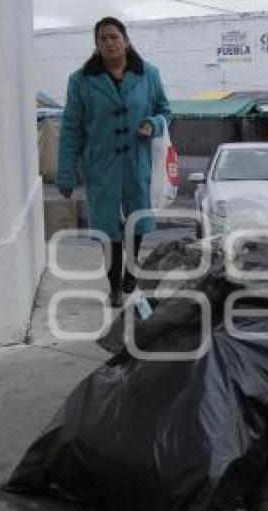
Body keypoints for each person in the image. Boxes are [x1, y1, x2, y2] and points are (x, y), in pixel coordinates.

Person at [56, 17, 171, 307]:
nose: (108, 43)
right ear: (96, 45)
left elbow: (166, 111)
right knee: (109, 230)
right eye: (102, 39)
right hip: (101, 165)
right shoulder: (81, 80)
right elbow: (71, 128)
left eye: (113, 37)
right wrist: (66, 174)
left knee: (136, 222)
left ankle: (131, 274)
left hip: (137, 161)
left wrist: (152, 123)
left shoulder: (149, 74)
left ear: (126, 40)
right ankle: (114, 286)